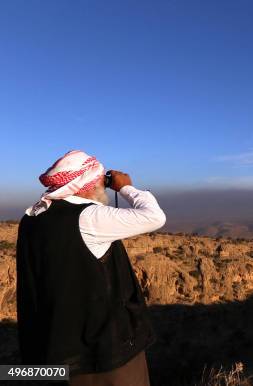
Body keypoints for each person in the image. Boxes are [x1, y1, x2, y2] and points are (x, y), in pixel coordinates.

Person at [17, 150, 166, 386]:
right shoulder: (88, 217)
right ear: (86, 184)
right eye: (100, 180)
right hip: (104, 355)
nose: (103, 186)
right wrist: (126, 187)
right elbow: (155, 217)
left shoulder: (33, 218)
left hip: (54, 351)